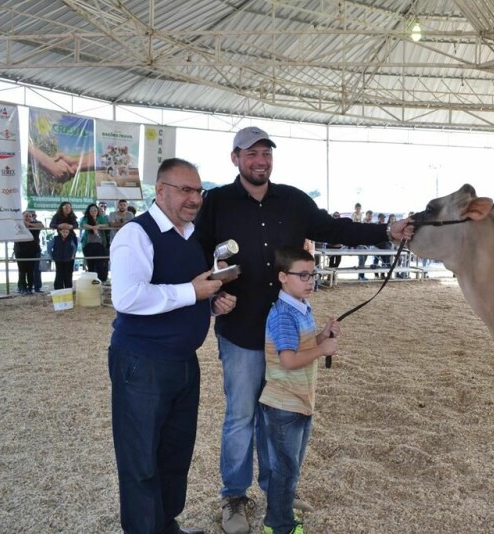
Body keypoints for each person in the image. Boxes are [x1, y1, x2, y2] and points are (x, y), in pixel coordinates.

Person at [193, 126, 412, 534]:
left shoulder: (294, 200)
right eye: (251, 153)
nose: (260, 160)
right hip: (239, 330)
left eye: (266, 153)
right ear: (235, 158)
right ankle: (234, 496)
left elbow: (335, 228)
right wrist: (210, 297)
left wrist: (386, 231)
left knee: (278, 415)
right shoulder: (217, 202)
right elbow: (196, 252)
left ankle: (277, 493)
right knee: (241, 416)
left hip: (287, 332)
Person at [108, 157, 237, 534]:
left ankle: (166, 524)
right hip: (142, 361)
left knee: (174, 454)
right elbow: (128, 298)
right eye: (185, 190)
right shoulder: (136, 234)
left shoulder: (190, 237)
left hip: (183, 360)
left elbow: (183, 294)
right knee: (140, 459)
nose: (194, 198)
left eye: (198, 191)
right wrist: (192, 291)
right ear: (160, 190)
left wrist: (211, 304)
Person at [260, 247, 340, 534]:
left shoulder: (302, 306)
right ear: (283, 277)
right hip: (284, 404)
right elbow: (288, 360)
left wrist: (323, 335)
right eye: (303, 275)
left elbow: (301, 347)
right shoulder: (283, 315)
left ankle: (281, 511)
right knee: (284, 469)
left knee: (290, 467)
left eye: (313, 274)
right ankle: (278, 525)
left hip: (300, 401)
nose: (310, 281)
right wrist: (322, 349)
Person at [14, 210, 44, 294]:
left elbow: (42, 226)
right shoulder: (18, 224)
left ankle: (30, 287)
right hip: (20, 250)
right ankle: (22, 288)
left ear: (32, 217)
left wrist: (29, 224)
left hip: (33, 250)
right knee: (22, 270)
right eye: (26, 216)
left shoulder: (36, 223)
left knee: (31, 270)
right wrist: (22, 223)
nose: (28, 218)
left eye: (29, 216)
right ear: (22, 217)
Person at [80, 203, 110, 282]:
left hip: (100, 245)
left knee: (100, 264)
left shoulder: (101, 218)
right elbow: (83, 224)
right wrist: (93, 227)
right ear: (88, 211)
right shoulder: (86, 218)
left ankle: (100, 282)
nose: (94, 212)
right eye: (92, 210)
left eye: (95, 210)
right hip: (88, 245)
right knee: (90, 265)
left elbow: (107, 224)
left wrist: (99, 226)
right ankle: (91, 282)